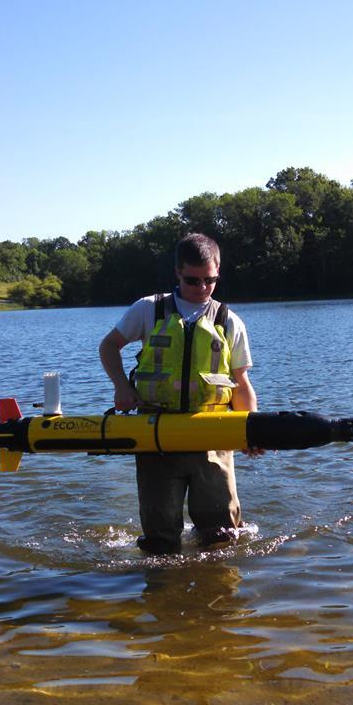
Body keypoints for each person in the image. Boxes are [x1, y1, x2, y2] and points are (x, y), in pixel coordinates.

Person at [99, 232, 261, 555]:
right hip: (157, 437)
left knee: (223, 538)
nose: (201, 288)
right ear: (177, 272)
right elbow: (109, 346)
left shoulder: (230, 321)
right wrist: (121, 386)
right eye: (192, 280)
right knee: (160, 542)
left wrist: (251, 429)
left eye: (209, 280)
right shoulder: (148, 310)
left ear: (218, 273)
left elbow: (241, 384)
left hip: (212, 438)